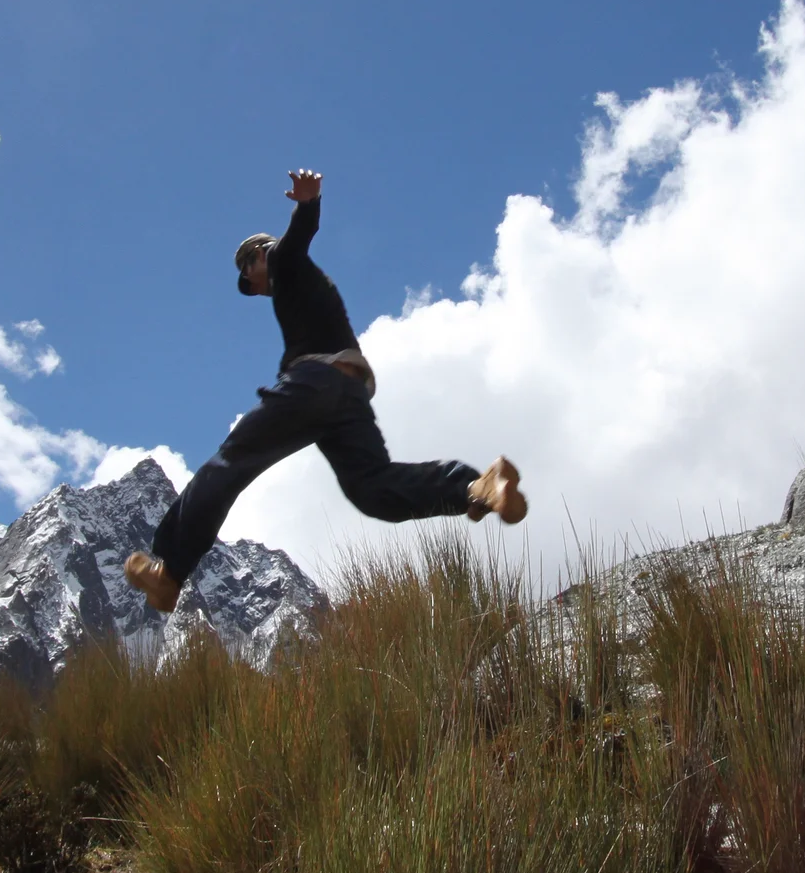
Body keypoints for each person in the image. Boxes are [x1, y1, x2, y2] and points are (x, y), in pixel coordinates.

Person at [124, 169, 525, 615]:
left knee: (229, 464)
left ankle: (169, 572)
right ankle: (476, 486)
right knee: (372, 488)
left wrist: (308, 203)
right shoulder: (303, 284)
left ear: (261, 254)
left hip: (314, 384)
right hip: (348, 395)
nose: (250, 281)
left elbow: (295, 240)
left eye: (247, 267)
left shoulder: (283, 260)